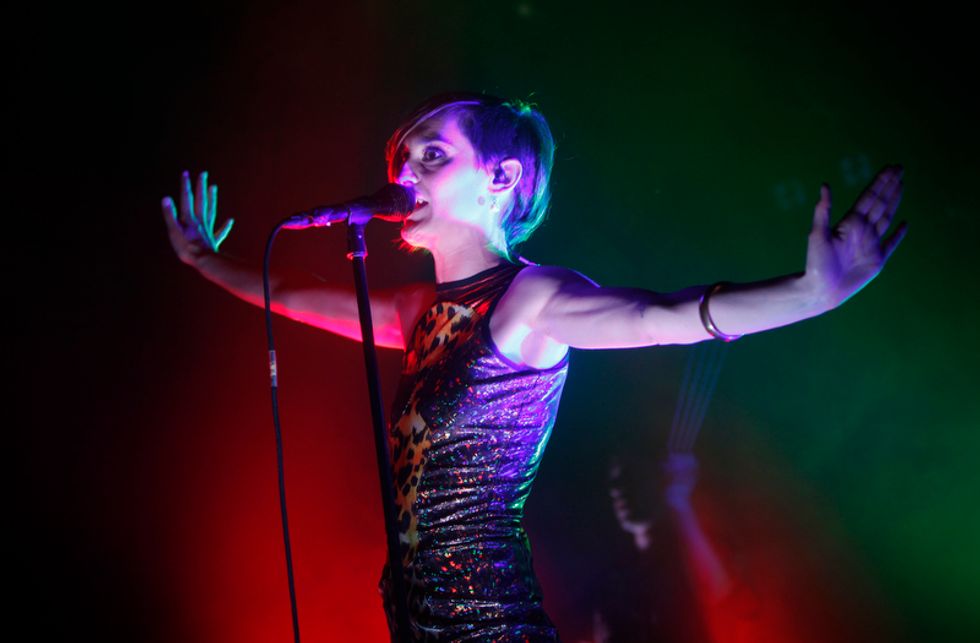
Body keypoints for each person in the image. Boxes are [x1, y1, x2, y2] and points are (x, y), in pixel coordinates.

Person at [161, 92, 907, 641]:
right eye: (401, 161)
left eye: (433, 155)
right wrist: (205, 261)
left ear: (502, 177)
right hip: (412, 624)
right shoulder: (419, 310)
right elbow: (293, 296)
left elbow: (659, 318)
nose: (406, 173)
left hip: (490, 626)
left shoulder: (530, 300)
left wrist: (808, 294)